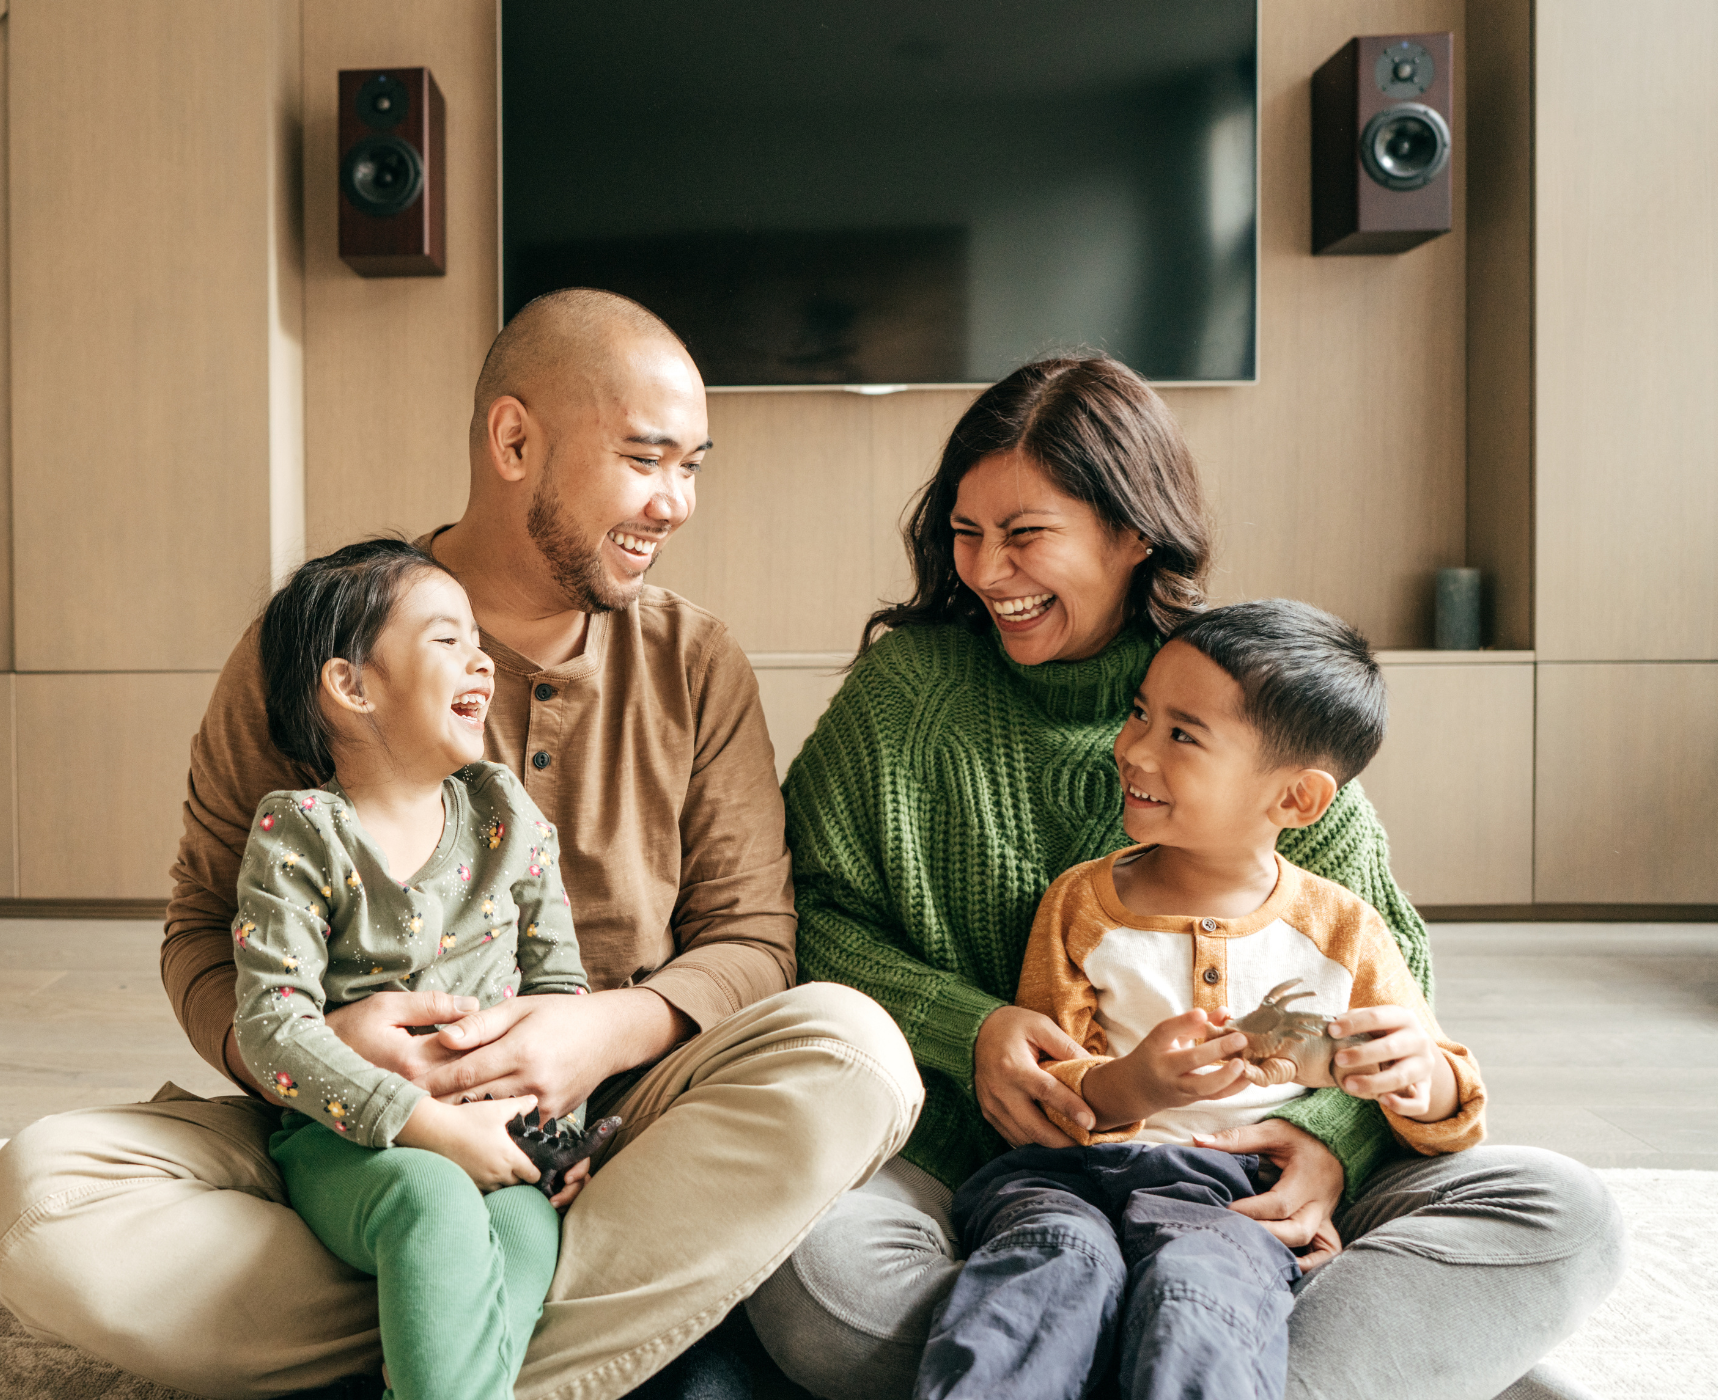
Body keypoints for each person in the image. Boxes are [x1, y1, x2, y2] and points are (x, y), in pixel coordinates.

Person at [0, 290, 923, 1400]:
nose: (674, 501)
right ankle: (519, 1321)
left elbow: (753, 943)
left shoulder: (695, 661)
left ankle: (431, 1336)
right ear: (515, 439)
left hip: (608, 1137)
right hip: (346, 1132)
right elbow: (202, 930)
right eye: (644, 458)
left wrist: (592, 1031)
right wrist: (326, 1053)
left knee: (850, 1050)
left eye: (692, 466)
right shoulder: (317, 642)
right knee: (44, 1193)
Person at [744, 355, 1624, 1400]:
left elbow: (1383, 984)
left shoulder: (1251, 695)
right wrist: (963, 1025)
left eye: (1023, 535)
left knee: (1563, 1211)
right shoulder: (905, 692)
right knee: (805, 1250)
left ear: (1132, 531)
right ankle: (1231, 1359)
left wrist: (1321, 1138)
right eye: (963, 533)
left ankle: (1077, 1353)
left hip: (1236, 1187)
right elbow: (802, 917)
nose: (985, 570)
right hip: (981, 1171)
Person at [913, 599, 1486, 1400]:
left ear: (1295, 801)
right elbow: (1054, 1086)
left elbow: (1451, 1104)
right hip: (1066, 1179)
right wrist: (1135, 1084)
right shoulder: (1080, 903)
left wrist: (1423, 1073)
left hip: (1235, 1198)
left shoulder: (1345, 929)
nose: (1134, 749)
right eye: (1140, 714)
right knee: (1039, 1273)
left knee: (1201, 1296)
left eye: (1182, 735)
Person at [235, 539, 589, 1400]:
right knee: (431, 1202)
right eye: (446, 640)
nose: (482, 662)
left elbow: (561, 997)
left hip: (500, 1133)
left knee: (527, 1230)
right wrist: (427, 1128)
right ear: (351, 686)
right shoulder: (302, 833)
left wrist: (560, 1125)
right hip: (348, 1141)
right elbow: (270, 1025)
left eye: (479, 641)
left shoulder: (512, 821)